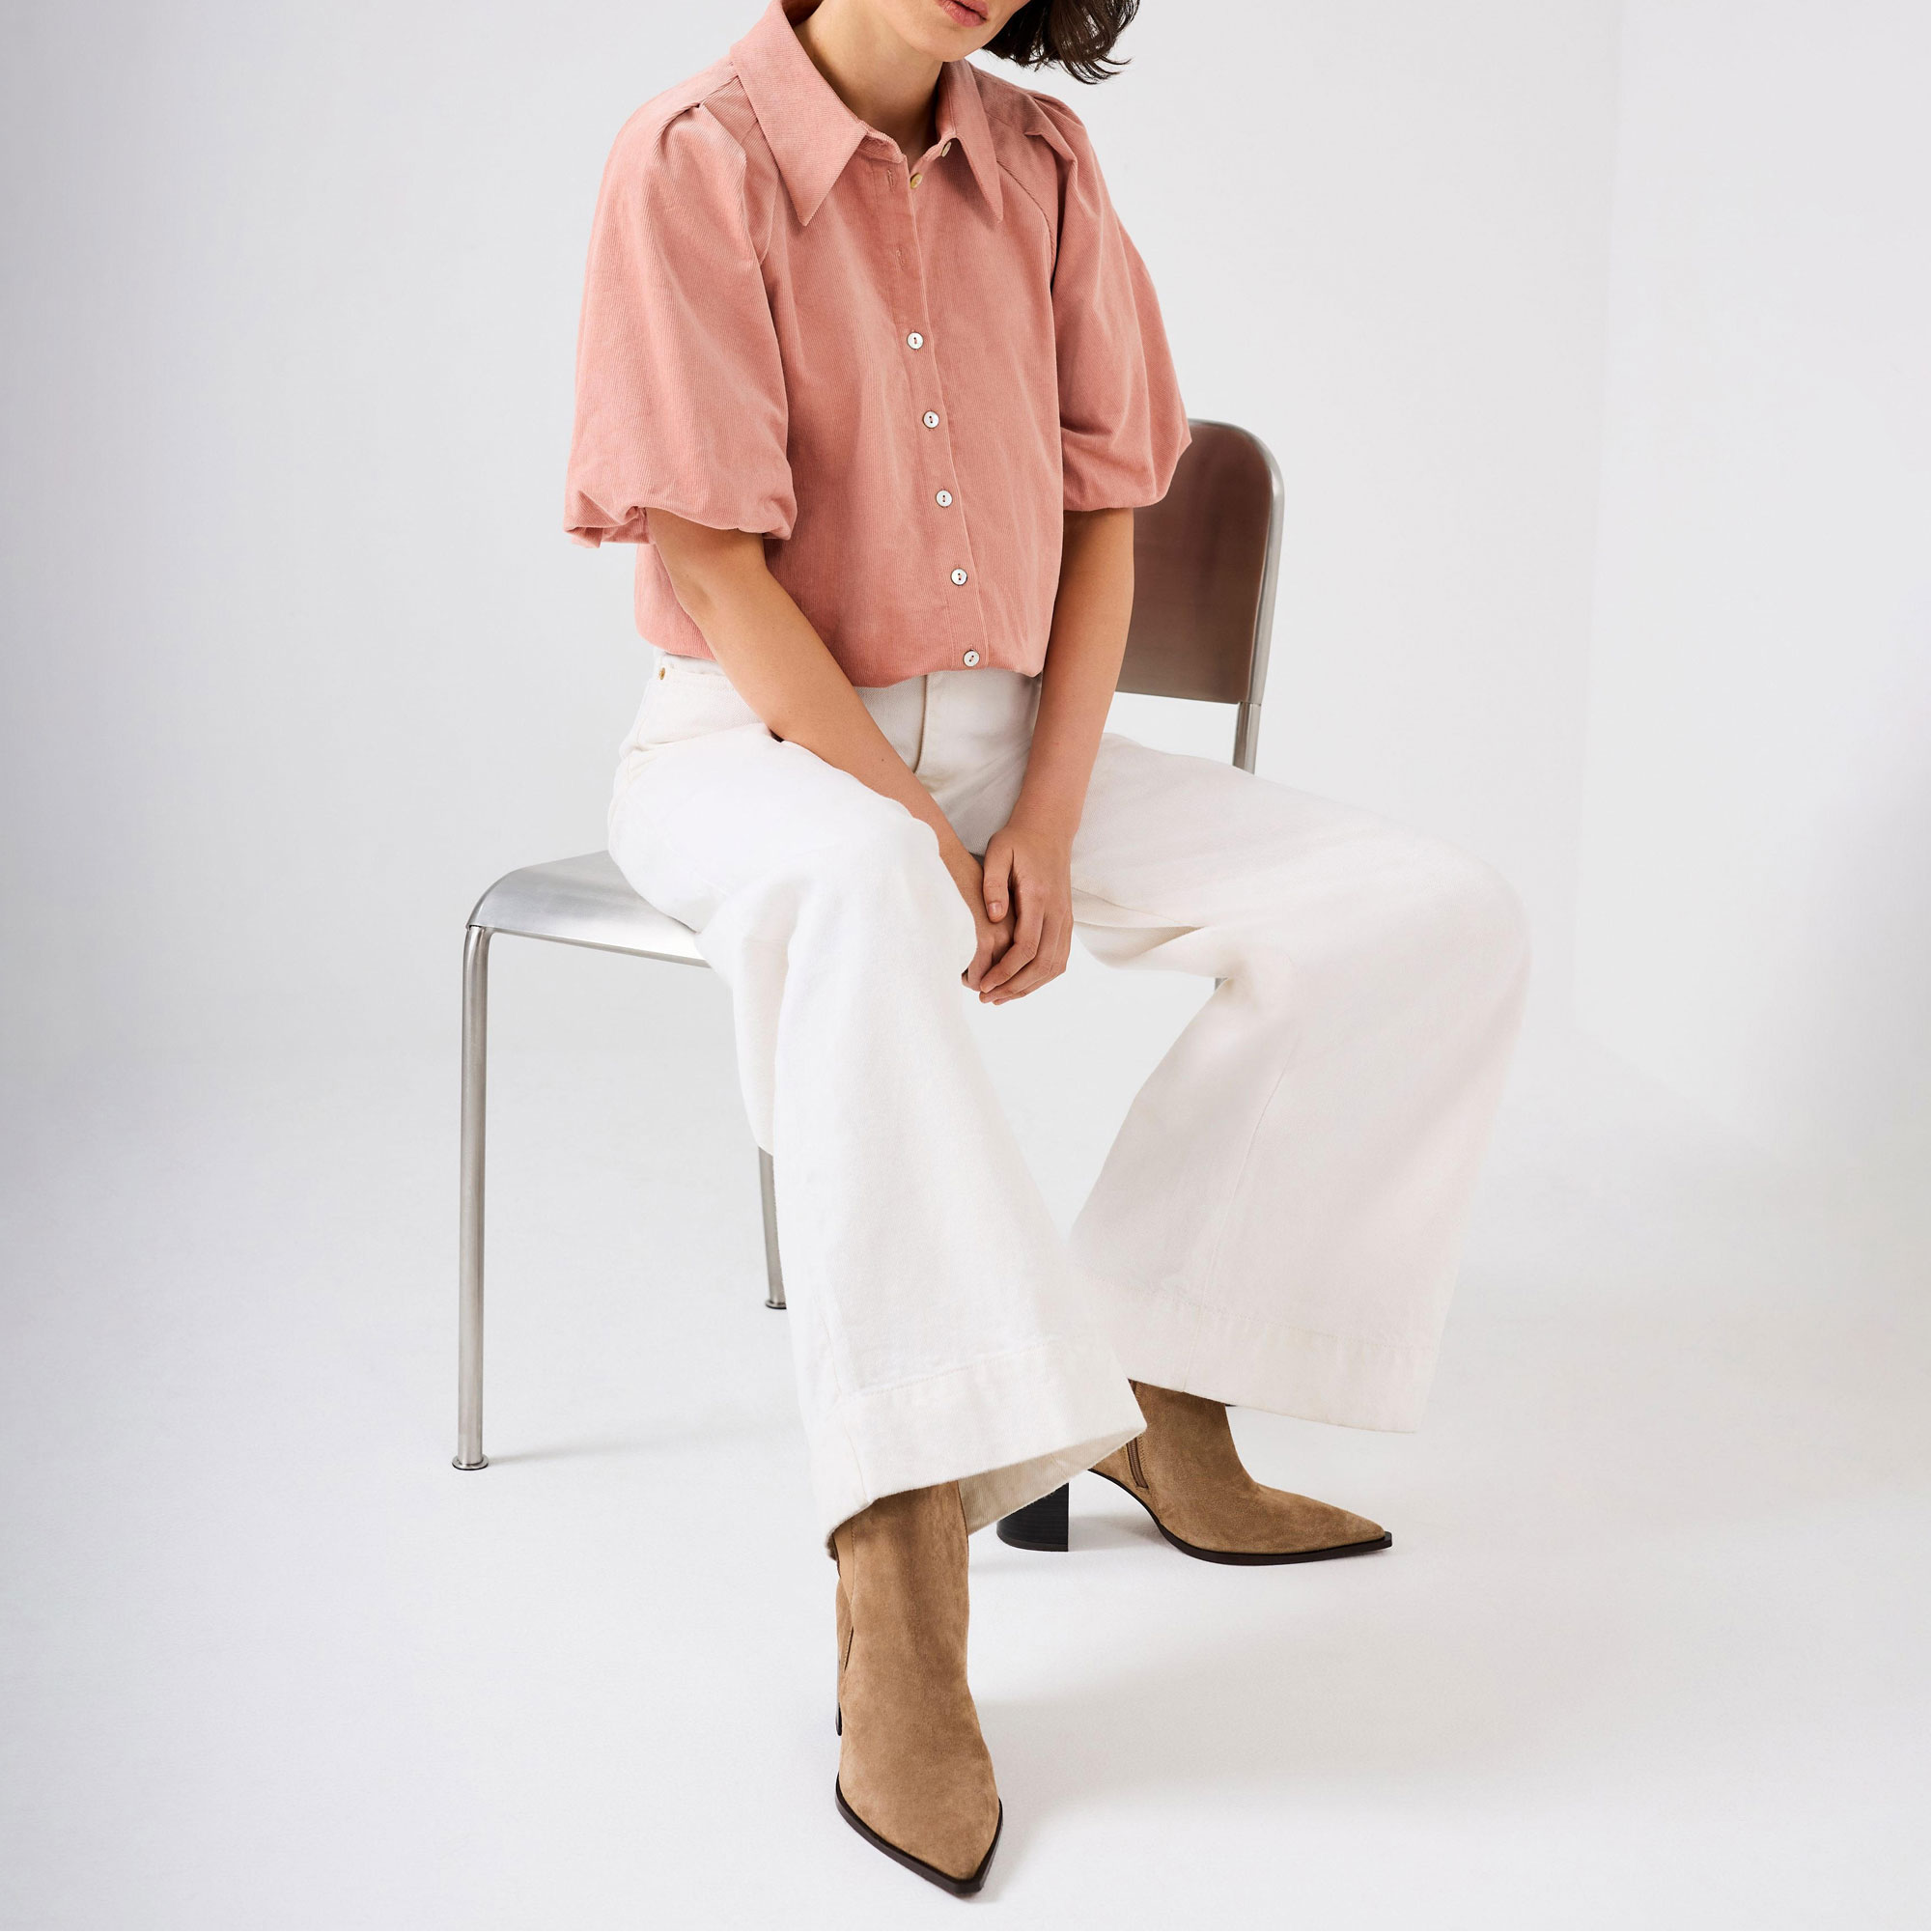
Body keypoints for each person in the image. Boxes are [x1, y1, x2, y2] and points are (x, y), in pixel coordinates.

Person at [565, 0, 1529, 1894]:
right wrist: (920, 830)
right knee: (860, 891)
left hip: (1017, 742)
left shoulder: (1044, 164)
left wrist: (1045, 818)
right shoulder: (693, 159)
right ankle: (900, 1557)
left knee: (1431, 914)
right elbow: (713, 562)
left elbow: (1105, 515)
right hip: (753, 742)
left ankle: (1163, 1377)